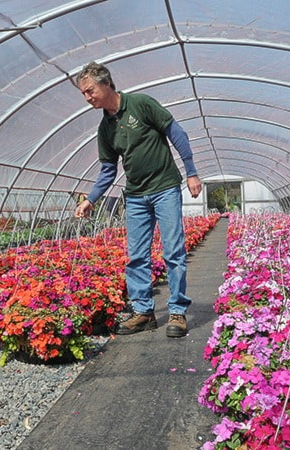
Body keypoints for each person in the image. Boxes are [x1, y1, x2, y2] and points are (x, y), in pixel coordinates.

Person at [73, 61, 202, 338]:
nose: (87, 97)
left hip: (165, 187)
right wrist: (90, 199)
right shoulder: (105, 128)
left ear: (106, 84)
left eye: (90, 91)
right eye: (83, 93)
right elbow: (108, 170)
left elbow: (176, 133)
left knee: (174, 253)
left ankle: (178, 312)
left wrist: (191, 172)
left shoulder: (141, 104)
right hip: (135, 196)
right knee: (136, 257)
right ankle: (144, 313)